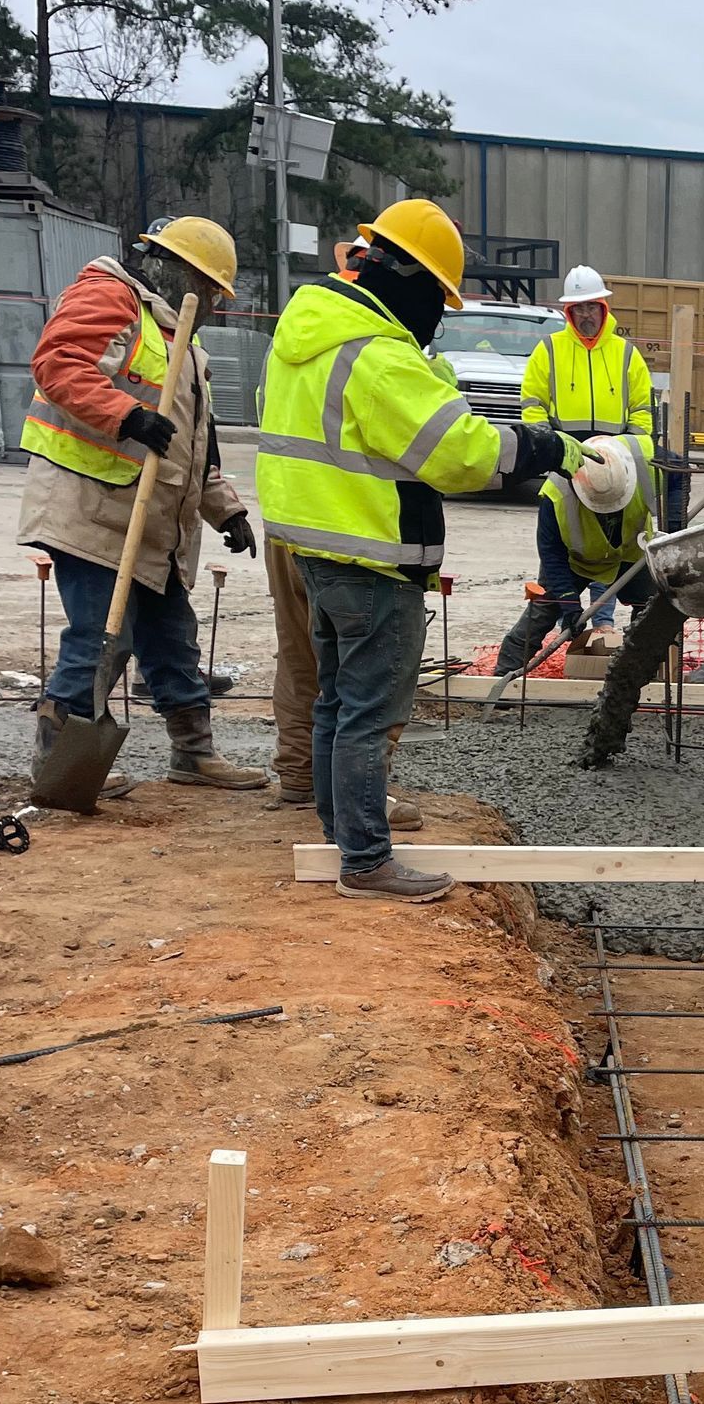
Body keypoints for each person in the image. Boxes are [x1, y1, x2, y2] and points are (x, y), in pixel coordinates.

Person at [255, 197, 580, 902]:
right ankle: (367, 860)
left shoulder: (311, 332)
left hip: (317, 549)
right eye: (439, 295)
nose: (438, 311)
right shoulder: (378, 355)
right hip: (372, 558)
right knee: (369, 710)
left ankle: (344, 829)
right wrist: (546, 446)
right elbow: (459, 455)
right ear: (409, 278)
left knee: (336, 701)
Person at [20, 214, 266, 802]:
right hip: (92, 511)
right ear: (179, 271)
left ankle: (193, 751)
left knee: (173, 637)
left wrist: (224, 509)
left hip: (151, 524)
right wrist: (125, 415)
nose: (212, 304)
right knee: (101, 637)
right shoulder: (110, 296)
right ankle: (62, 763)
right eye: (210, 290)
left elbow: (190, 446)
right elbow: (59, 365)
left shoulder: (182, 344)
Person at [264, 236, 419, 831]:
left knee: (309, 665)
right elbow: (438, 445)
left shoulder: (300, 330)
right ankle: (362, 825)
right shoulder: (373, 340)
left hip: (293, 524)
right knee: (369, 684)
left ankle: (304, 780)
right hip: (352, 533)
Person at [496, 263, 654, 676]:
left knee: (650, 601)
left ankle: (641, 671)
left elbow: (642, 414)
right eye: (578, 309)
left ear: (603, 308)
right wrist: (567, 603)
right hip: (566, 467)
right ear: (569, 312)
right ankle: (505, 673)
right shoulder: (549, 350)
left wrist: (626, 453)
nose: (586, 315)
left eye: (592, 307)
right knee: (549, 600)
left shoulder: (625, 355)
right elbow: (532, 407)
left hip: (620, 465)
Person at [497, 435, 655, 681]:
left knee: (654, 607)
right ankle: (503, 676)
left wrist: (674, 523)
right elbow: (552, 557)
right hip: (577, 560)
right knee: (543, 611)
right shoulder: (555, 496)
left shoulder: (644, 458)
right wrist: (568, 602)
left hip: (630, 552)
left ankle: (638, 675)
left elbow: (678, 474)